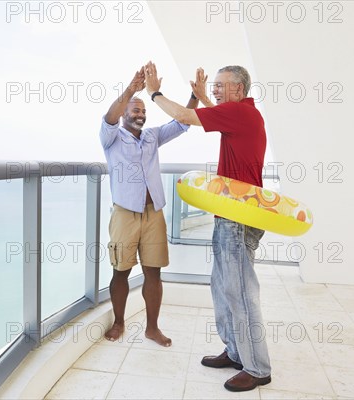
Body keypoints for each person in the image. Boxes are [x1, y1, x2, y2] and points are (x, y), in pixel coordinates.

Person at [144, 61, 271, 391]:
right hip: (230, 215)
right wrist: (203, 97)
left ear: (239, 90)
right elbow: (212, 118)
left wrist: (154, 92)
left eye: (220, 85)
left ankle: (257, 368)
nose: (214, 88)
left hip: (238, 218)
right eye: (213, 85)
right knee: (222, 289)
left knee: (240, 294)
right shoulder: (240, 115)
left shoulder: (241, 113)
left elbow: (185, 117)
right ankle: (235, 350)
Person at [100, 67, 198, 347]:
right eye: (135, 109)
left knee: (154, 272)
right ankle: (119, 322)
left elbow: (182, 123)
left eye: (143, 110)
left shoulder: (153, 136)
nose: (140, 114)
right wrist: (131, 90)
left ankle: (152, 328)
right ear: (123, 112)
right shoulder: (112, 137)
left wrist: (195, 95)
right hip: (125, 215)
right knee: (121, 271)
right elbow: (109, 117)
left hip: (154, 214)